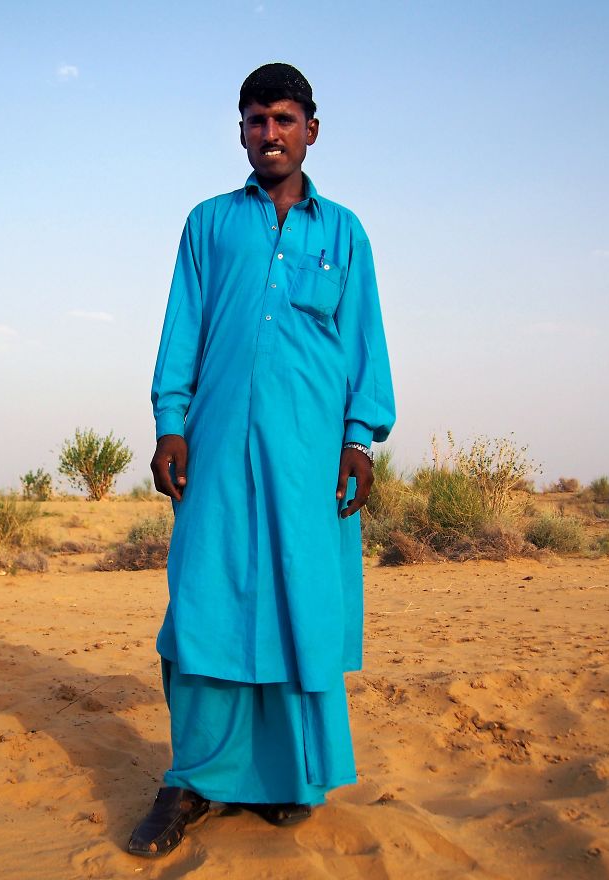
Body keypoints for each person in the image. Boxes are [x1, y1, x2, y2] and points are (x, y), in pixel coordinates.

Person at [128, 62, 395, 857]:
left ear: (312, 128)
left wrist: (358, 438)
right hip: (213, 450)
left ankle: (286, 778)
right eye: (255, 120)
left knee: (297, 606)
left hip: (308, 459)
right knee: (206, 604)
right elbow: (183, 325)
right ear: (240, 131)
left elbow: (365, 344)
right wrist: (171, 421)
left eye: (283, 118)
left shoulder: (344, 232)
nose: (269, 133)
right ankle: (193, 780)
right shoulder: (209, 223)